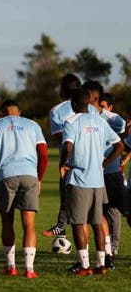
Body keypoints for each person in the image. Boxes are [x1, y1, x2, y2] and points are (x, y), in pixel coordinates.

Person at [60, 88, 123, 276]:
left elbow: (68, 145)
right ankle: (101, 264)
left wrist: (63, 163)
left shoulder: (70, 122)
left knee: (79, 223)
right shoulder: (100, 122)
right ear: (88, 103)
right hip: (98, 180)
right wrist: (104, 163)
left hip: (80, 179)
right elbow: (119, 146)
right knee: (97, 222)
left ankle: (85, 266)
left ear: (72, 103)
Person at [0, 100, 48, 279]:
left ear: (1, 113)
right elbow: (43, 154)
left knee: (7, 221)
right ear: (19, 112)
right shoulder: (33, 125)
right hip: (29, 174)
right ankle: (29, 269)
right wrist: (40, 178)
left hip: (6, 175)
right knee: (29, 224)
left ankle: (11, 266)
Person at [43, 73, 97, 238]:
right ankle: (105, 254)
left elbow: (64, 141)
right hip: (94, 161)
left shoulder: (56, 110)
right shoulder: (92, 109)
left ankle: (62, 227)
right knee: (94, 211)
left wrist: (65, 162)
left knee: (71, 202)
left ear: (62, 89)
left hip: (71, 162)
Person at [86, 85, 126, 269]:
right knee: (98, 213)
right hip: (95, 173)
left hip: (111, 172)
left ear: (108, 107)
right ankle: (107, 252)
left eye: (102, 105)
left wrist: (102, 112)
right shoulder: (88, 118)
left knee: (116, 211)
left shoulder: (110, 119)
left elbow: (122, 124)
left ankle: (114, 249)